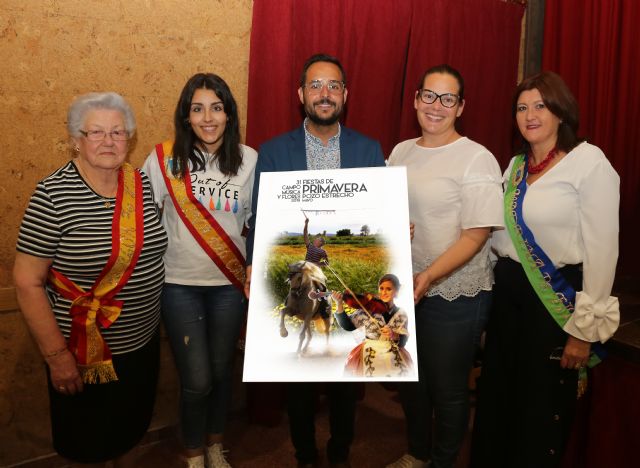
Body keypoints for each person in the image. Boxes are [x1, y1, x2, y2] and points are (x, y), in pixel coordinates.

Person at [471, 71, 620, 468]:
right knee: (500, 398)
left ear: (560, 111)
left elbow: (604, 250)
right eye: (522, 107)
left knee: (539, 405)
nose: (529, 115)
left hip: (552, 304)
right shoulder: (516, 165)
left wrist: (583, 332)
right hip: (509, 299)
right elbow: (499, 236)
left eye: (540, 105)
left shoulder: (589, 162)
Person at [245, 53, 385, 468]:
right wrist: (254, 265)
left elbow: (377, 217)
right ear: (301, 94)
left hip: (346, 280)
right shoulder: (272, 153)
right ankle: (304, 455)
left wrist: (395, 225)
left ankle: (340, 453)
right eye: (316, 86)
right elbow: (261, 219)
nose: (325, 95)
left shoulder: (368, 148)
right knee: (300, 375)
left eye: (334, 86)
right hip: (301, 284)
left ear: (345, 94)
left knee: (346, 375)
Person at [13, 92, 168, 465]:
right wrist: (56, 357)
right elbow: (26, 281)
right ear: (75, 139)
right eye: (96, 132)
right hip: (83, 351)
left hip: (140, 344)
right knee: (87, 442)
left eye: (118, 132)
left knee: (128, 430)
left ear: (129, 139)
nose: (108, 141)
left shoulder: (141, 185)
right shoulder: (52, 194)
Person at [386, 64, 504, 468]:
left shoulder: (476, 158)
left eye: (447, 98)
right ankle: (417, 453)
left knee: (447, 388)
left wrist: (430, 276)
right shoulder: (401, 150)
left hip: (454, 292)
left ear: (461, 106)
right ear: (416, 99)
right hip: (406, 286)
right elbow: (388, 210)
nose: (436, 106)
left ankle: (443, 461)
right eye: (429, 96)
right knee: (410, 382)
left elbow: (476, 235)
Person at [142, 73, 257, 468]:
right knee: (197, 380)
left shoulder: (250, 159)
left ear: (229, 114)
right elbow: (140, 221)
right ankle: (192, 452)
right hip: (178, 286)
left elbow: (264, 222)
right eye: (197, 108)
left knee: (223, 373)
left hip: (229, 286)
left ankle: (214, 443)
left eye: (216, 107)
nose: (208, 117)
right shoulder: (163, 160)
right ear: (186, 116)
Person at [332, 274, 412, 377]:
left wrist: (394, 335)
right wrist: (339, 304)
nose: (384, 292)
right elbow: (348, 326)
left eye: (388, 289)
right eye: (381, 288)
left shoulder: (402, 313)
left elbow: (403, 341)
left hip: (394, 355)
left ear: (396, 292)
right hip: (370, 352)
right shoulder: (369, 309)